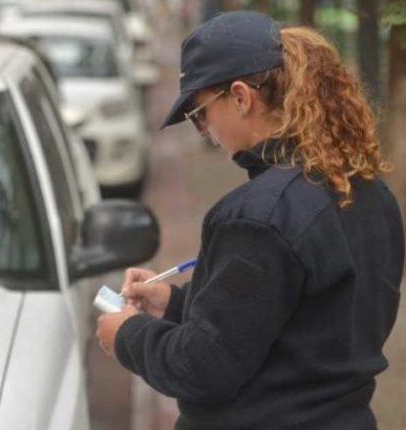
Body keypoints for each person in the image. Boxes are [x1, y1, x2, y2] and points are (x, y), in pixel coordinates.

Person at [95, 11, 404, 430]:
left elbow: (202, 368)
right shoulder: (368, 190)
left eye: (199, 112)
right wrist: (174, 303)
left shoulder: (258, 217)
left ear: (240, 97)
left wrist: (127, 335)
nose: (202, 130)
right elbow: (296, 324)